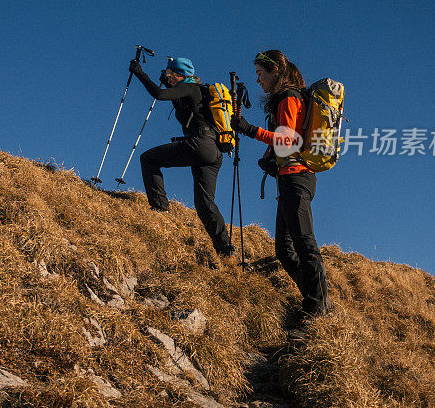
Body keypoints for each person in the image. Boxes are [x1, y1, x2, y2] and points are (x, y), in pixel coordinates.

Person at [230, 49, 331, 318]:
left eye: (260, 74)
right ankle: (314, 300)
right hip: (291, 178)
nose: (258, 80)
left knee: (303, 243)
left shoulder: (288, 98)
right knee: (285, 250)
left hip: (297, 178)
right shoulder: (287, 97)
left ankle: (319, 308)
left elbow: (287, 141)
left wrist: (250, 130)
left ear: (275, 72)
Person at [128, 56, 233, 257]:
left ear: (179, 75)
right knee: (204, 203)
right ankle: (225, 249)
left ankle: (160, 208)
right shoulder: (199, 91)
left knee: (148, 159)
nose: (167, 77)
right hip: (215, 151)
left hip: (199, 144)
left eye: (169, 74)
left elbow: (159, 94)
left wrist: (140, 73)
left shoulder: (189, 87)